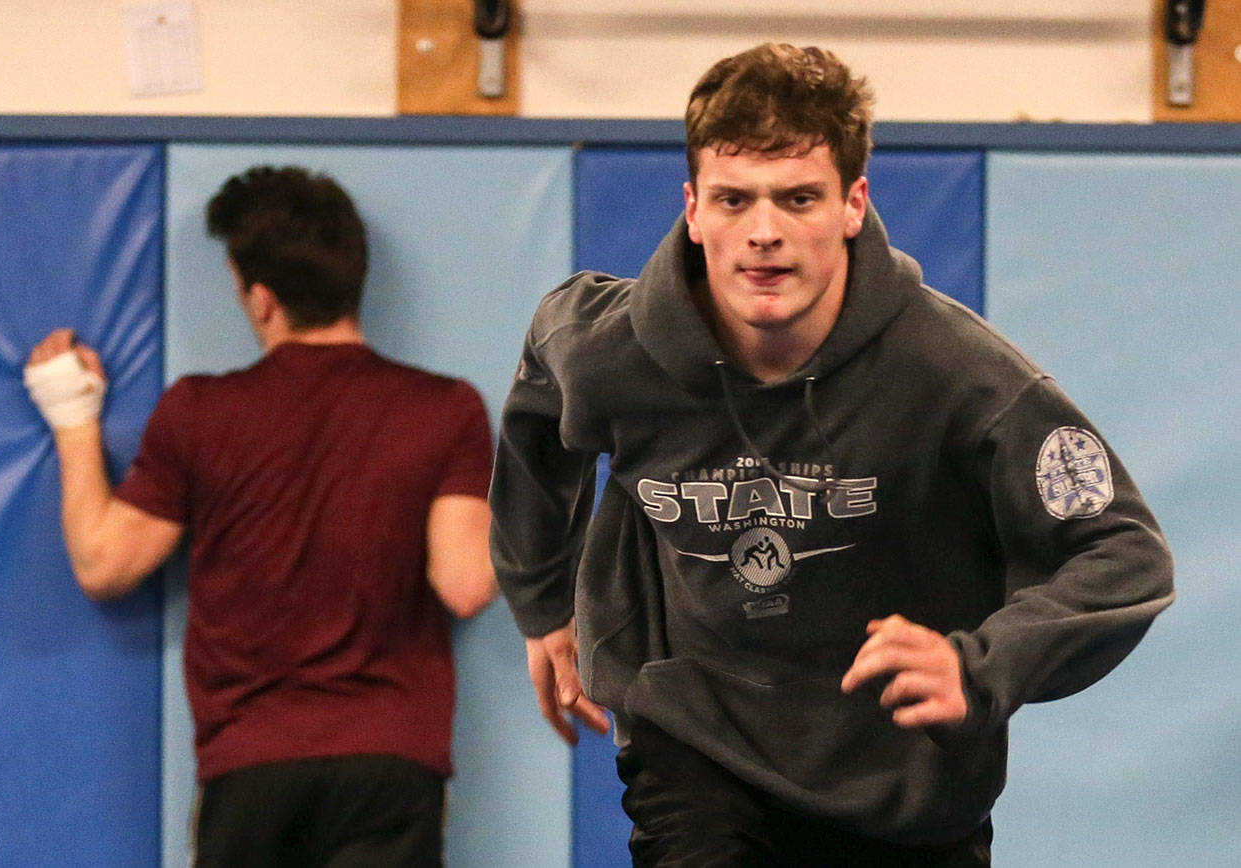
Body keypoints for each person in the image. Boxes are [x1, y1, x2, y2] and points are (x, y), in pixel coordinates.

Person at [489, 44, 1174, 866]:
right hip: (697, 739)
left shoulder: (957, 375)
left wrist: (982, 668)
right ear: (693, 207)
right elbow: (540, 392)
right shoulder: (611, 349)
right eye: (734, 199)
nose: (764, 233)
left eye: (798, 198)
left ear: (853, 203)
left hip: (901, 781)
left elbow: (1123, 550)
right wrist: (540, 601)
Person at [24, 166, 496, 867]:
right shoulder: (447, 408)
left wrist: (71, 415)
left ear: (262, 299)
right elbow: (466, 584)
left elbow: (103, 563)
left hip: (251, 765)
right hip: (391, 762)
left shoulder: (199, 411)